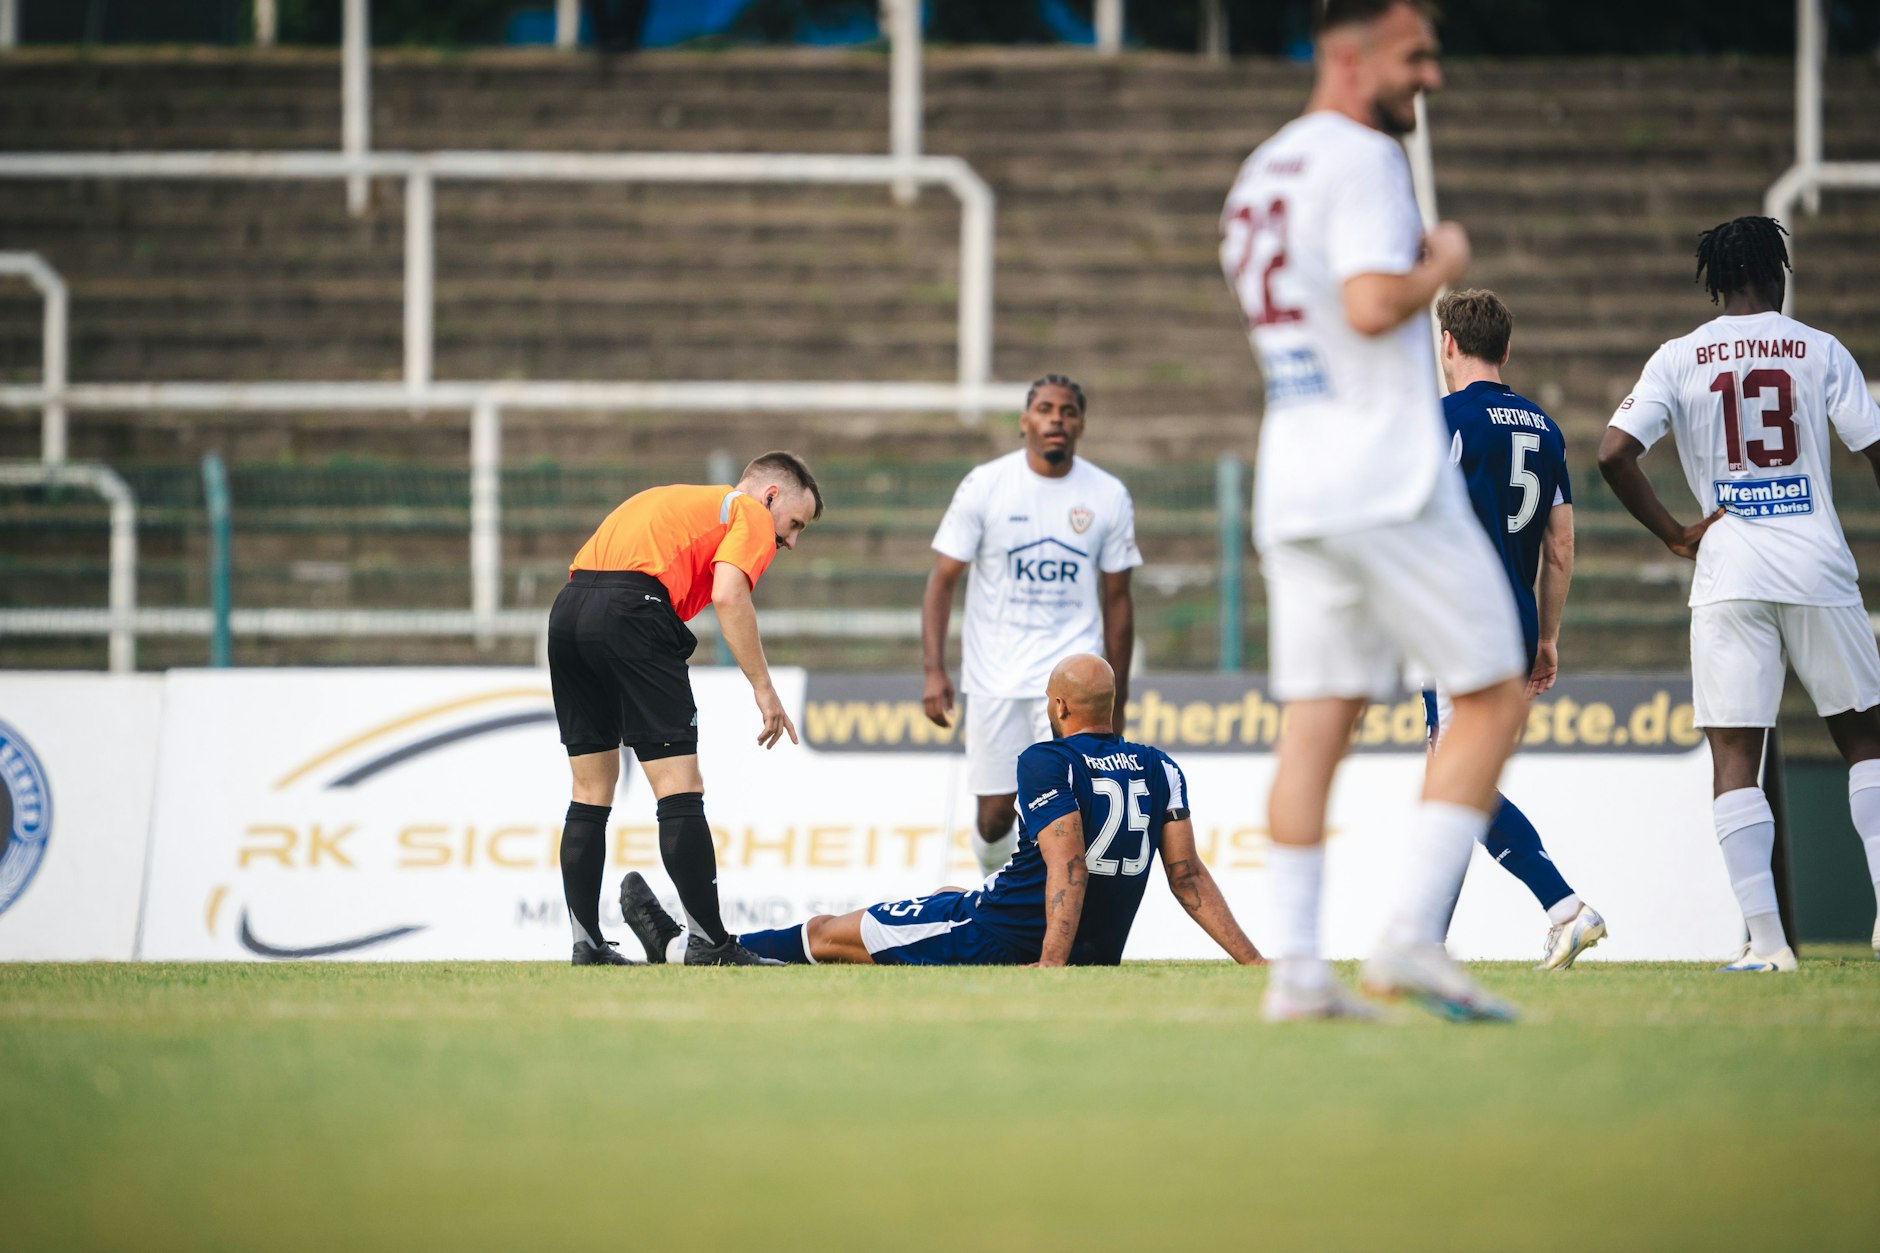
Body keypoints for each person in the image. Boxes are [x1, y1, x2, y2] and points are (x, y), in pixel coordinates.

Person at [1219, 0, 1529, 1021]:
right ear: (1346, 54)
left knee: (1316, 723)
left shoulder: (1262, 169)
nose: (1429, 78)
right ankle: (1404, 935)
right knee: (1495, 689)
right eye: (1414, 56)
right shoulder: (1360, 158)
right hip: (1383, 473)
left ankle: (1299, 972)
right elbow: (1365, 304)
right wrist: (1439, 263)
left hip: (1295, 477)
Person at [1599, 215, 1880, 971]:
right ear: (1777, 275)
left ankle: (1767, 943)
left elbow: (1613, 453)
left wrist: (1675, 532)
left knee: (1734, 755)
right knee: (1864, 738)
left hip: (1730, 571)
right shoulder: (1819, 348)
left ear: (1717, 282)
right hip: (1817, 564)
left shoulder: (1678, 357)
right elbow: (1875, 447)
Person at [620, 654, 1264, 968]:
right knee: (949, 891)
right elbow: (1187, 877)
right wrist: (1253, 962)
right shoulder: (1161, 766)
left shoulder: (1046, 759)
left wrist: (1050, 966)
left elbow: (1069, 863)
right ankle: (697, 941)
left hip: (1007, 937)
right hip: (1080, 942)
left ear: (1061, 708)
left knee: (827, 932)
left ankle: (690, 949)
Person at [549, 451, 823, 967]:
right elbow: (728, 593)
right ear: (770, 497)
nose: (789, 541)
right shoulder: (746, 512)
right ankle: (710, 944)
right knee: (680, 787)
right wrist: (763, 687)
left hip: (568, 611)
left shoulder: (671, 499)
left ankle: (586, 943)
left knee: (589, 788)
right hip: (634, 611)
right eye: (794, 525)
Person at [1428, 288, 1606, 970]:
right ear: (1506, 350)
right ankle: (1426, 941)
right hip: (1514, 621)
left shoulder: (1445, 420)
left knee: (1459, 774)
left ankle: (1564, 905)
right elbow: (1561, 547)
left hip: (1457, 618)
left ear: (1449, 344)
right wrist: (1548, 637)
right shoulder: (1544, 427)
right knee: (1448, 773)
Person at [921, 375, 1142, 877]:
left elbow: (1119, 602)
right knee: (996, 815)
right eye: (1045, 409)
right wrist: (934, 670)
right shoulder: (986, 484)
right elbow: (941, 581)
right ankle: (994, 888)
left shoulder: (1107, 495)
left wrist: (1118, 700)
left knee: (1072, 810)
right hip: (996, 677)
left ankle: (1064, 920)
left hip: (1074, 677)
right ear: (1026, 422)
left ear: (1081, 423)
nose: (1056, 420)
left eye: (1067, 411)